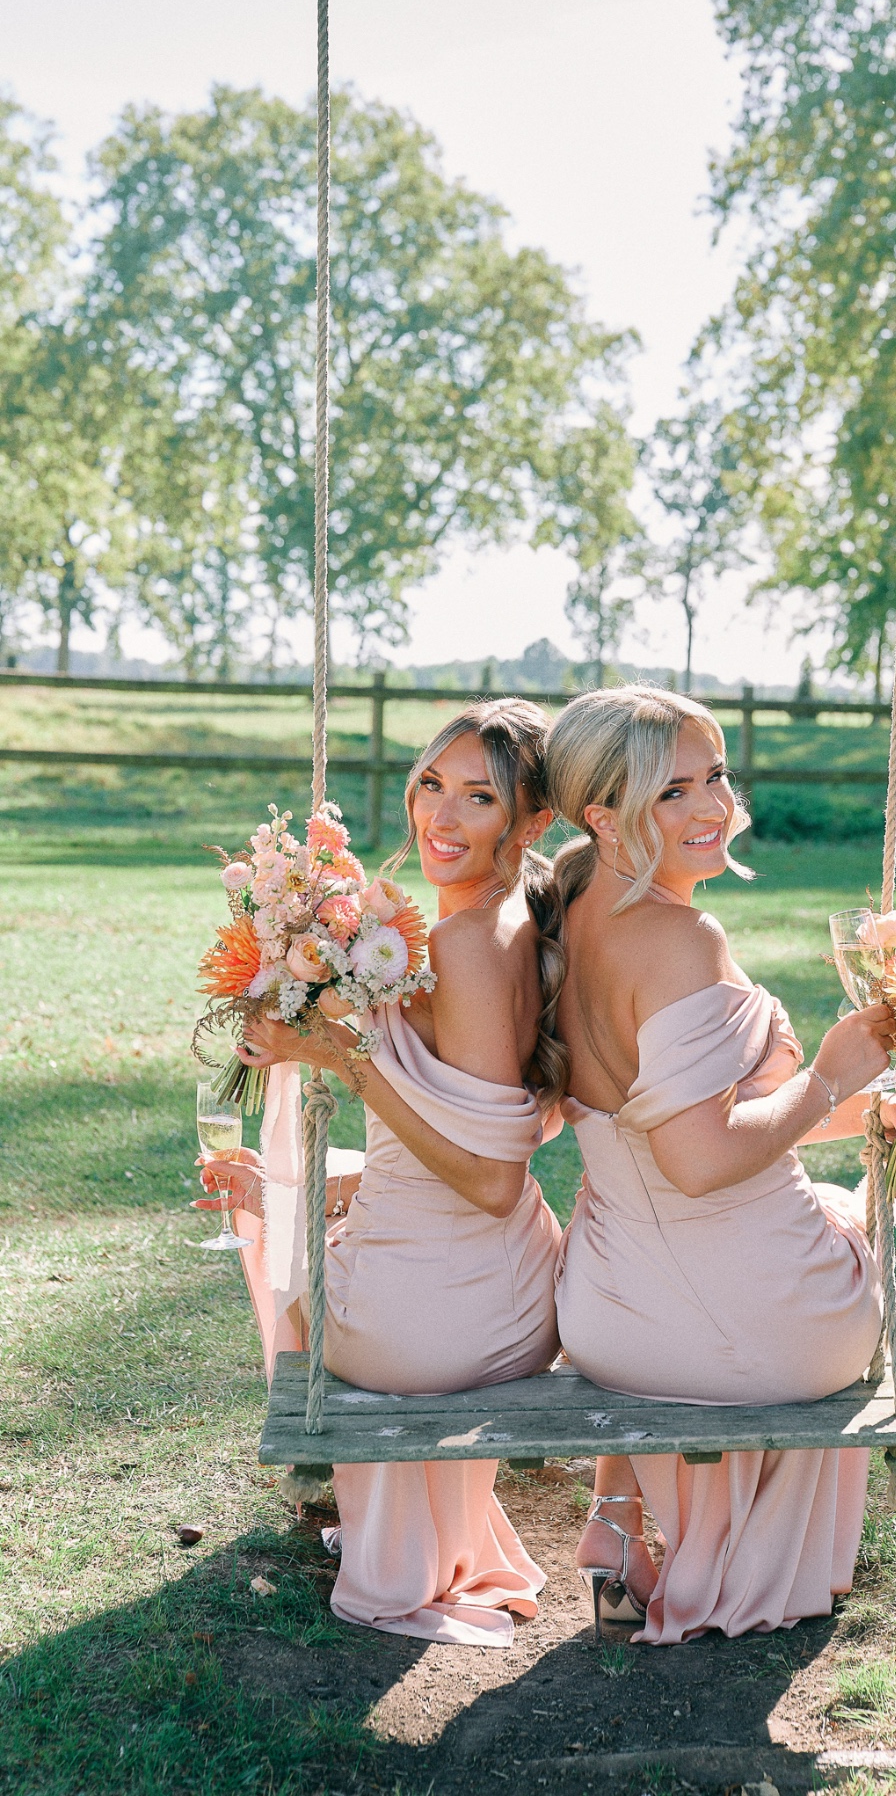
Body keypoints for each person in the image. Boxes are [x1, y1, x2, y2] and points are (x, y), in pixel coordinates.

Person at [544, 686, 896, 1646]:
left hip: (611, 1319)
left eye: (716, 776)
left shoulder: (570, 912)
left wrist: (873, 1109)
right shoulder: (685, 938)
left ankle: (617, 1526)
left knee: (840, 1193)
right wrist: (828, 1078)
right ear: (604, 816)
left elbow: (680, 1126)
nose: (712, 808)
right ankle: (731, 1557)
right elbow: (700, 1160)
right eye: (672, 792)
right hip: (754, 1330)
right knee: (856, 1227)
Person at [196, 699, 566, 1647]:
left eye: (478, 798)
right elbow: (511, 1119)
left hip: (445, 1321)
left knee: (280, 1259)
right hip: (509, 1288)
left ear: (532, 823)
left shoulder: (467, 947)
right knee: (292, 1207)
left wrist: (343, 1060)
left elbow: (488, 1179)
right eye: (431, 785)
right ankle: (409, 1528)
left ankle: (394, 1539)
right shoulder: (507, 923)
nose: (440, 819)